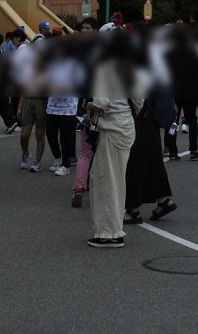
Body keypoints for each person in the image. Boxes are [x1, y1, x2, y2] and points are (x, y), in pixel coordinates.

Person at [86, 34, 136, 247]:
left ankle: (109, 232)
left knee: (105, 181)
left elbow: (101, 102)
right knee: (118, 180)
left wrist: (88, 106)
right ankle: (114, 227)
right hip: (126, 126)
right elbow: (139, 100)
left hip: (111, 127)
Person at [44, 37, 84, 176]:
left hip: (69, 106)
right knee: (50, 133)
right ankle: (57, 157)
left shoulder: (75, 64)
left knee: (66, 136)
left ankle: (66, 164)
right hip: (53, 104)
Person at [165, 26, 198, 160]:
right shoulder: (193, 54)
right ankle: (193, 150)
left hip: (174, 92)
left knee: (173, 122)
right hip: (189, 92)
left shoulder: (169, 54)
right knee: (192, 121)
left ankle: (172, 150)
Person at [12, 28, 47, 172]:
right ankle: (25, 153)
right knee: (24, 134)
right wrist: (20, 106)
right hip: (28, 100)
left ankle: (38, 161)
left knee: (40, 133)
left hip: (41, 102)